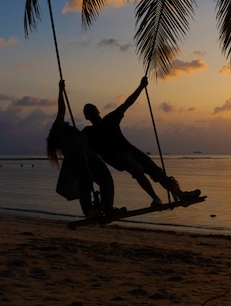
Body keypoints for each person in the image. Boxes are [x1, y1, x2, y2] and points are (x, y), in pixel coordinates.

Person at [82, 77, 201, 206]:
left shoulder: (110, 118)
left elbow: (128, 103)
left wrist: (141, 87)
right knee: (137, 169)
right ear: (86, 117)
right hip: (117, 157)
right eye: (88, 111)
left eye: (92, 109)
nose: (92, 112)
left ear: (98, 111)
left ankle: (182, 195)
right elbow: (77, 143)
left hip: (131, 150)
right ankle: (156, 198)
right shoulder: (88, 133)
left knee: (156, 171)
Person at [47, 80, 121, 218]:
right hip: (77, 155)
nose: (62, 120)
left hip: (89, 155)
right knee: (85, 182)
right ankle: (89, 211)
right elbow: (61, 109)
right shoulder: (57, 129)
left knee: (106, 179)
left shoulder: (73, 131)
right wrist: (61, 91)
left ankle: (107, 207)